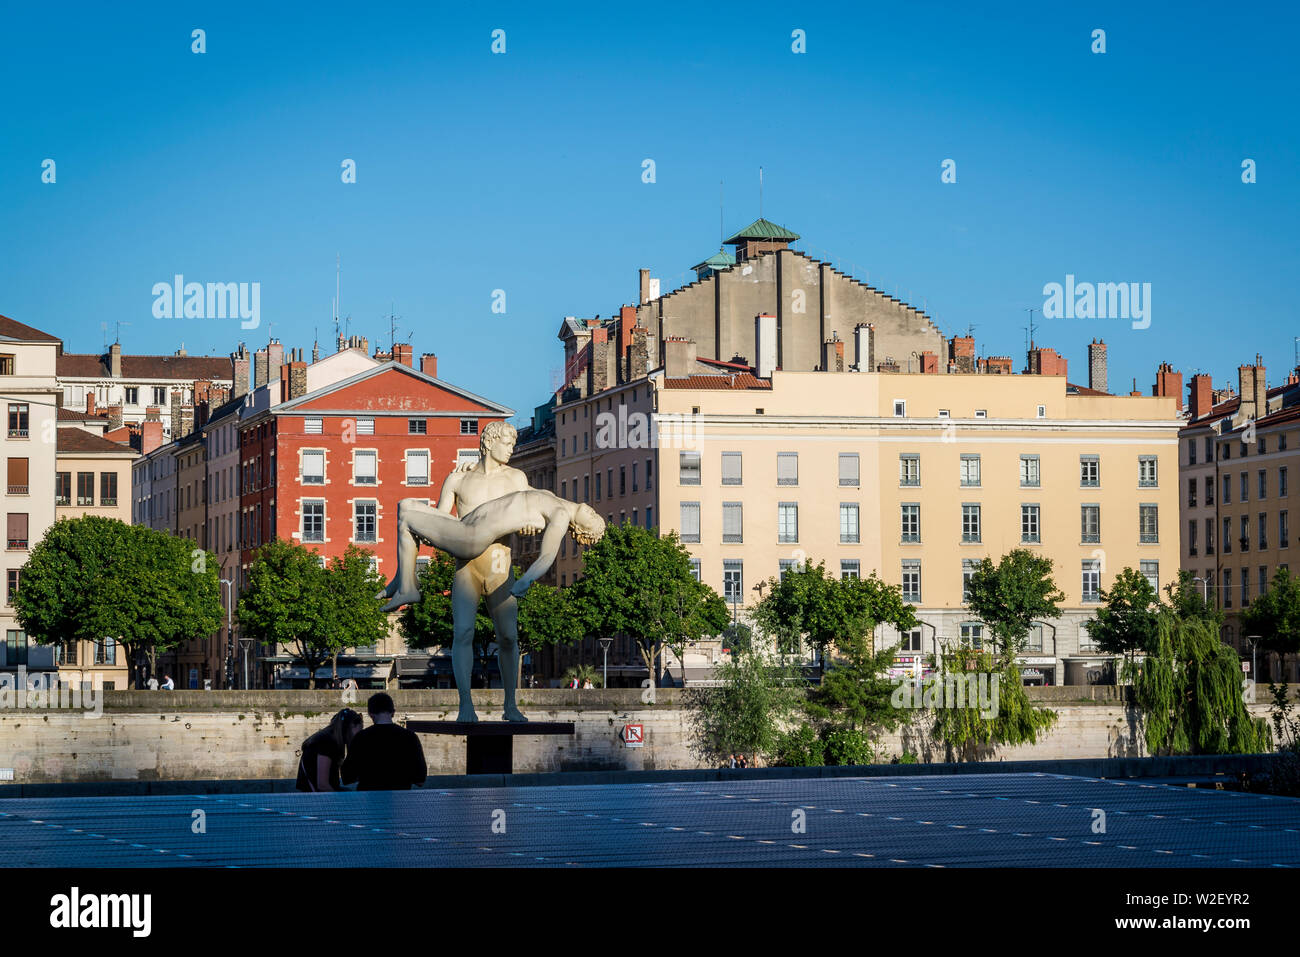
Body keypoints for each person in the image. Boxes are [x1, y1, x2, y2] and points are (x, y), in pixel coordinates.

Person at [341, 693, 427, 790]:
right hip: (400, 799)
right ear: (393, 712)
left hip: (369, 799)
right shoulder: (410, 737)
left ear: (370, 714)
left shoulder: (361, 737)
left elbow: (347, 777)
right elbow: (420, 779)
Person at [296, 708, 364, 792]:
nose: (360, 735)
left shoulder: (331, 738)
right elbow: (322, 785)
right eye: (360, 730)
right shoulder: (327, 742)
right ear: (352, 725)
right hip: (315, 798)